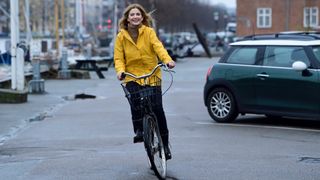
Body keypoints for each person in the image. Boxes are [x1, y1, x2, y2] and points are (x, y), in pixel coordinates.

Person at [113, 3, 175, 160]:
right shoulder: (121, 37)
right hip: (132, 75)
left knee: (158, 109)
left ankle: (165, 145)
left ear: (142, 17)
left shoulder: (149, 32)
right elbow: (119, 57)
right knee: (134, 100)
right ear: (127, 18)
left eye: (138, 14)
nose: (135, 17)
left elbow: (158, 47)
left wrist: (167, 60)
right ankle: (139, 130)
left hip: (152, 74)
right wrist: (120, 71)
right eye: (132, 14)